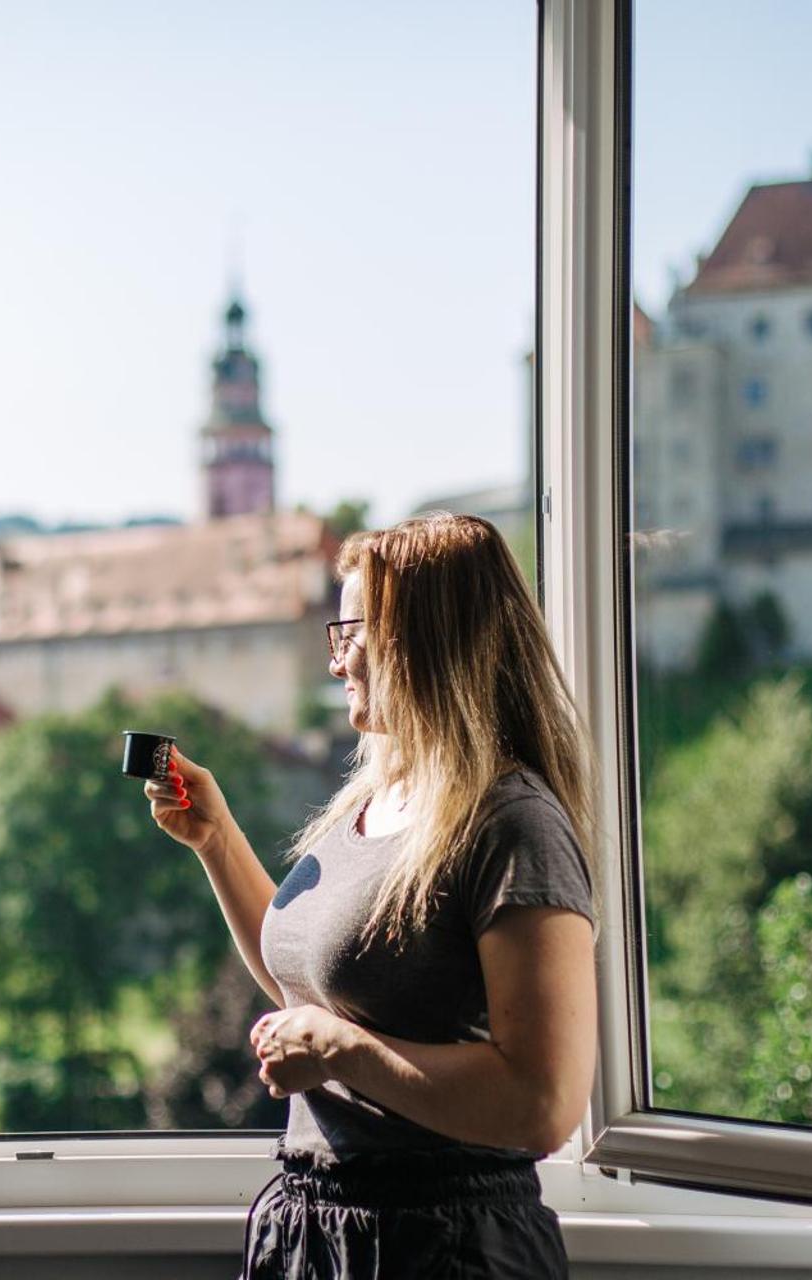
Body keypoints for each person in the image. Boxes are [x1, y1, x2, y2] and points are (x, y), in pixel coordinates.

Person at [144, 511, 599, 1279]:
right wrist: (217, 840)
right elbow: (311, 986)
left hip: (443, 1244)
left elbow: (542, 1104)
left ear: (425, 642)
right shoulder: (373, 803)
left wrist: (336, 1049)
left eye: (351, 632)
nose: (337, 660)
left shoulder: (511, 822)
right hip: (320, 1231)